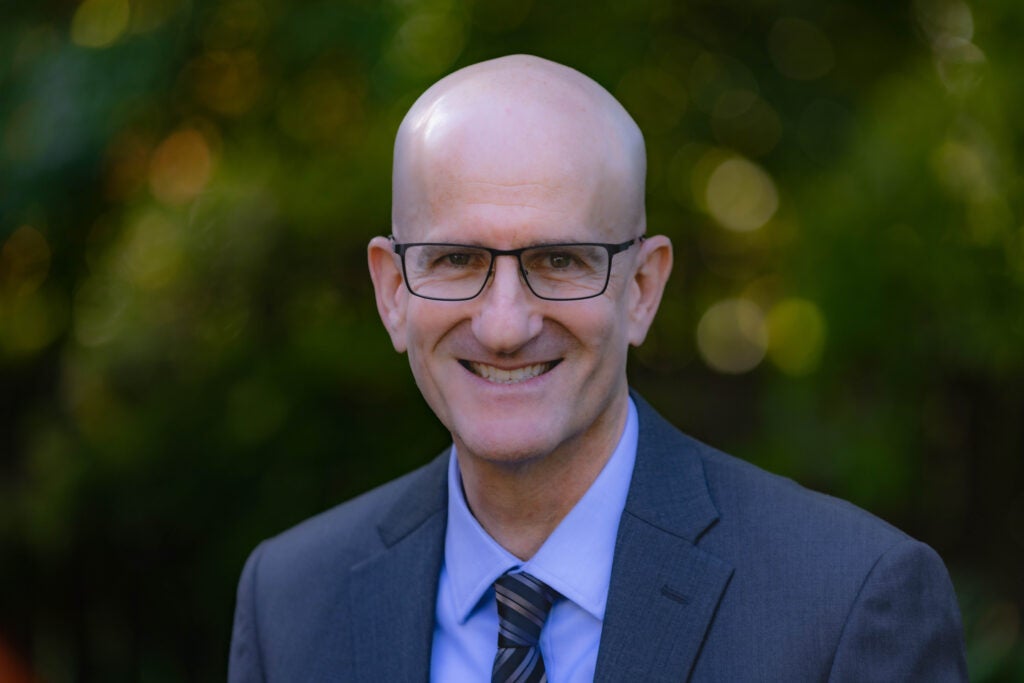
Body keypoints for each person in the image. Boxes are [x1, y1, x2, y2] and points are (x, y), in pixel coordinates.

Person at [228, 54, 967, 682]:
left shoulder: (849, 601)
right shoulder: (291, 601)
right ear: (392, 290)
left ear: (642, 288)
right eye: (456, 260)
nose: (505, 324)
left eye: (560, 260)